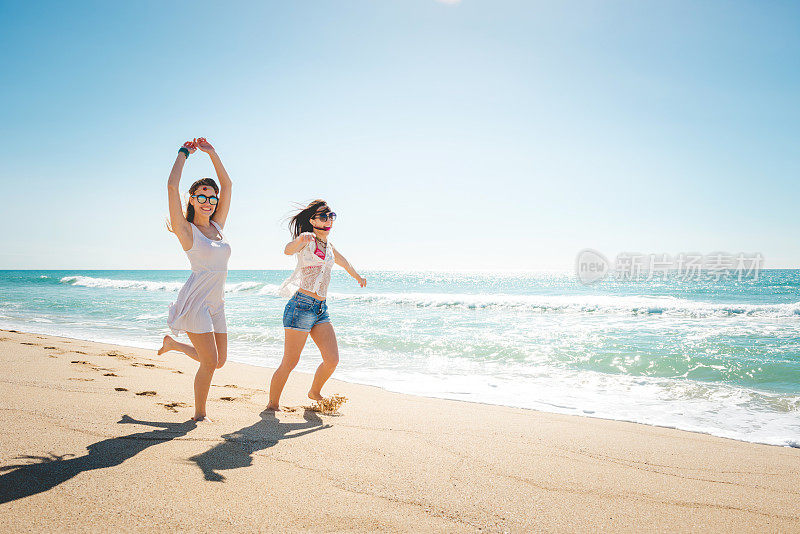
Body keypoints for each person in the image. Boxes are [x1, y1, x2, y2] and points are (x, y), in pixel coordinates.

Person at [157, 137, 232, 421]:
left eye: (212, 197)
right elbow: (171, 186)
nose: (208, 201)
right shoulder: (186, 230)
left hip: (217, 302)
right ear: (192, 199)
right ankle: (199, 414)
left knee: (219, 361)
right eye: (201, 195)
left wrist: (213, 153)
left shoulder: (217, 225)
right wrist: (183, 153)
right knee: (210, 362)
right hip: (197, 301)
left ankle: (174, 345)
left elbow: (228, 186)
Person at [267, 200, 366, 410]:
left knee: (332, 360)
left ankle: (314, 391)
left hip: (321, 310)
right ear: (312, 220)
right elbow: (287, 250)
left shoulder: (329, 246)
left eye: (331, 215)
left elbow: (344, 262)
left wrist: (358, 276)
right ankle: (272, 405)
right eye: (323, 216)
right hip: (300, 307)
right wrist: (300, 239)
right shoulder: (306, 240)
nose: (328, 220)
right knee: (290, 362)